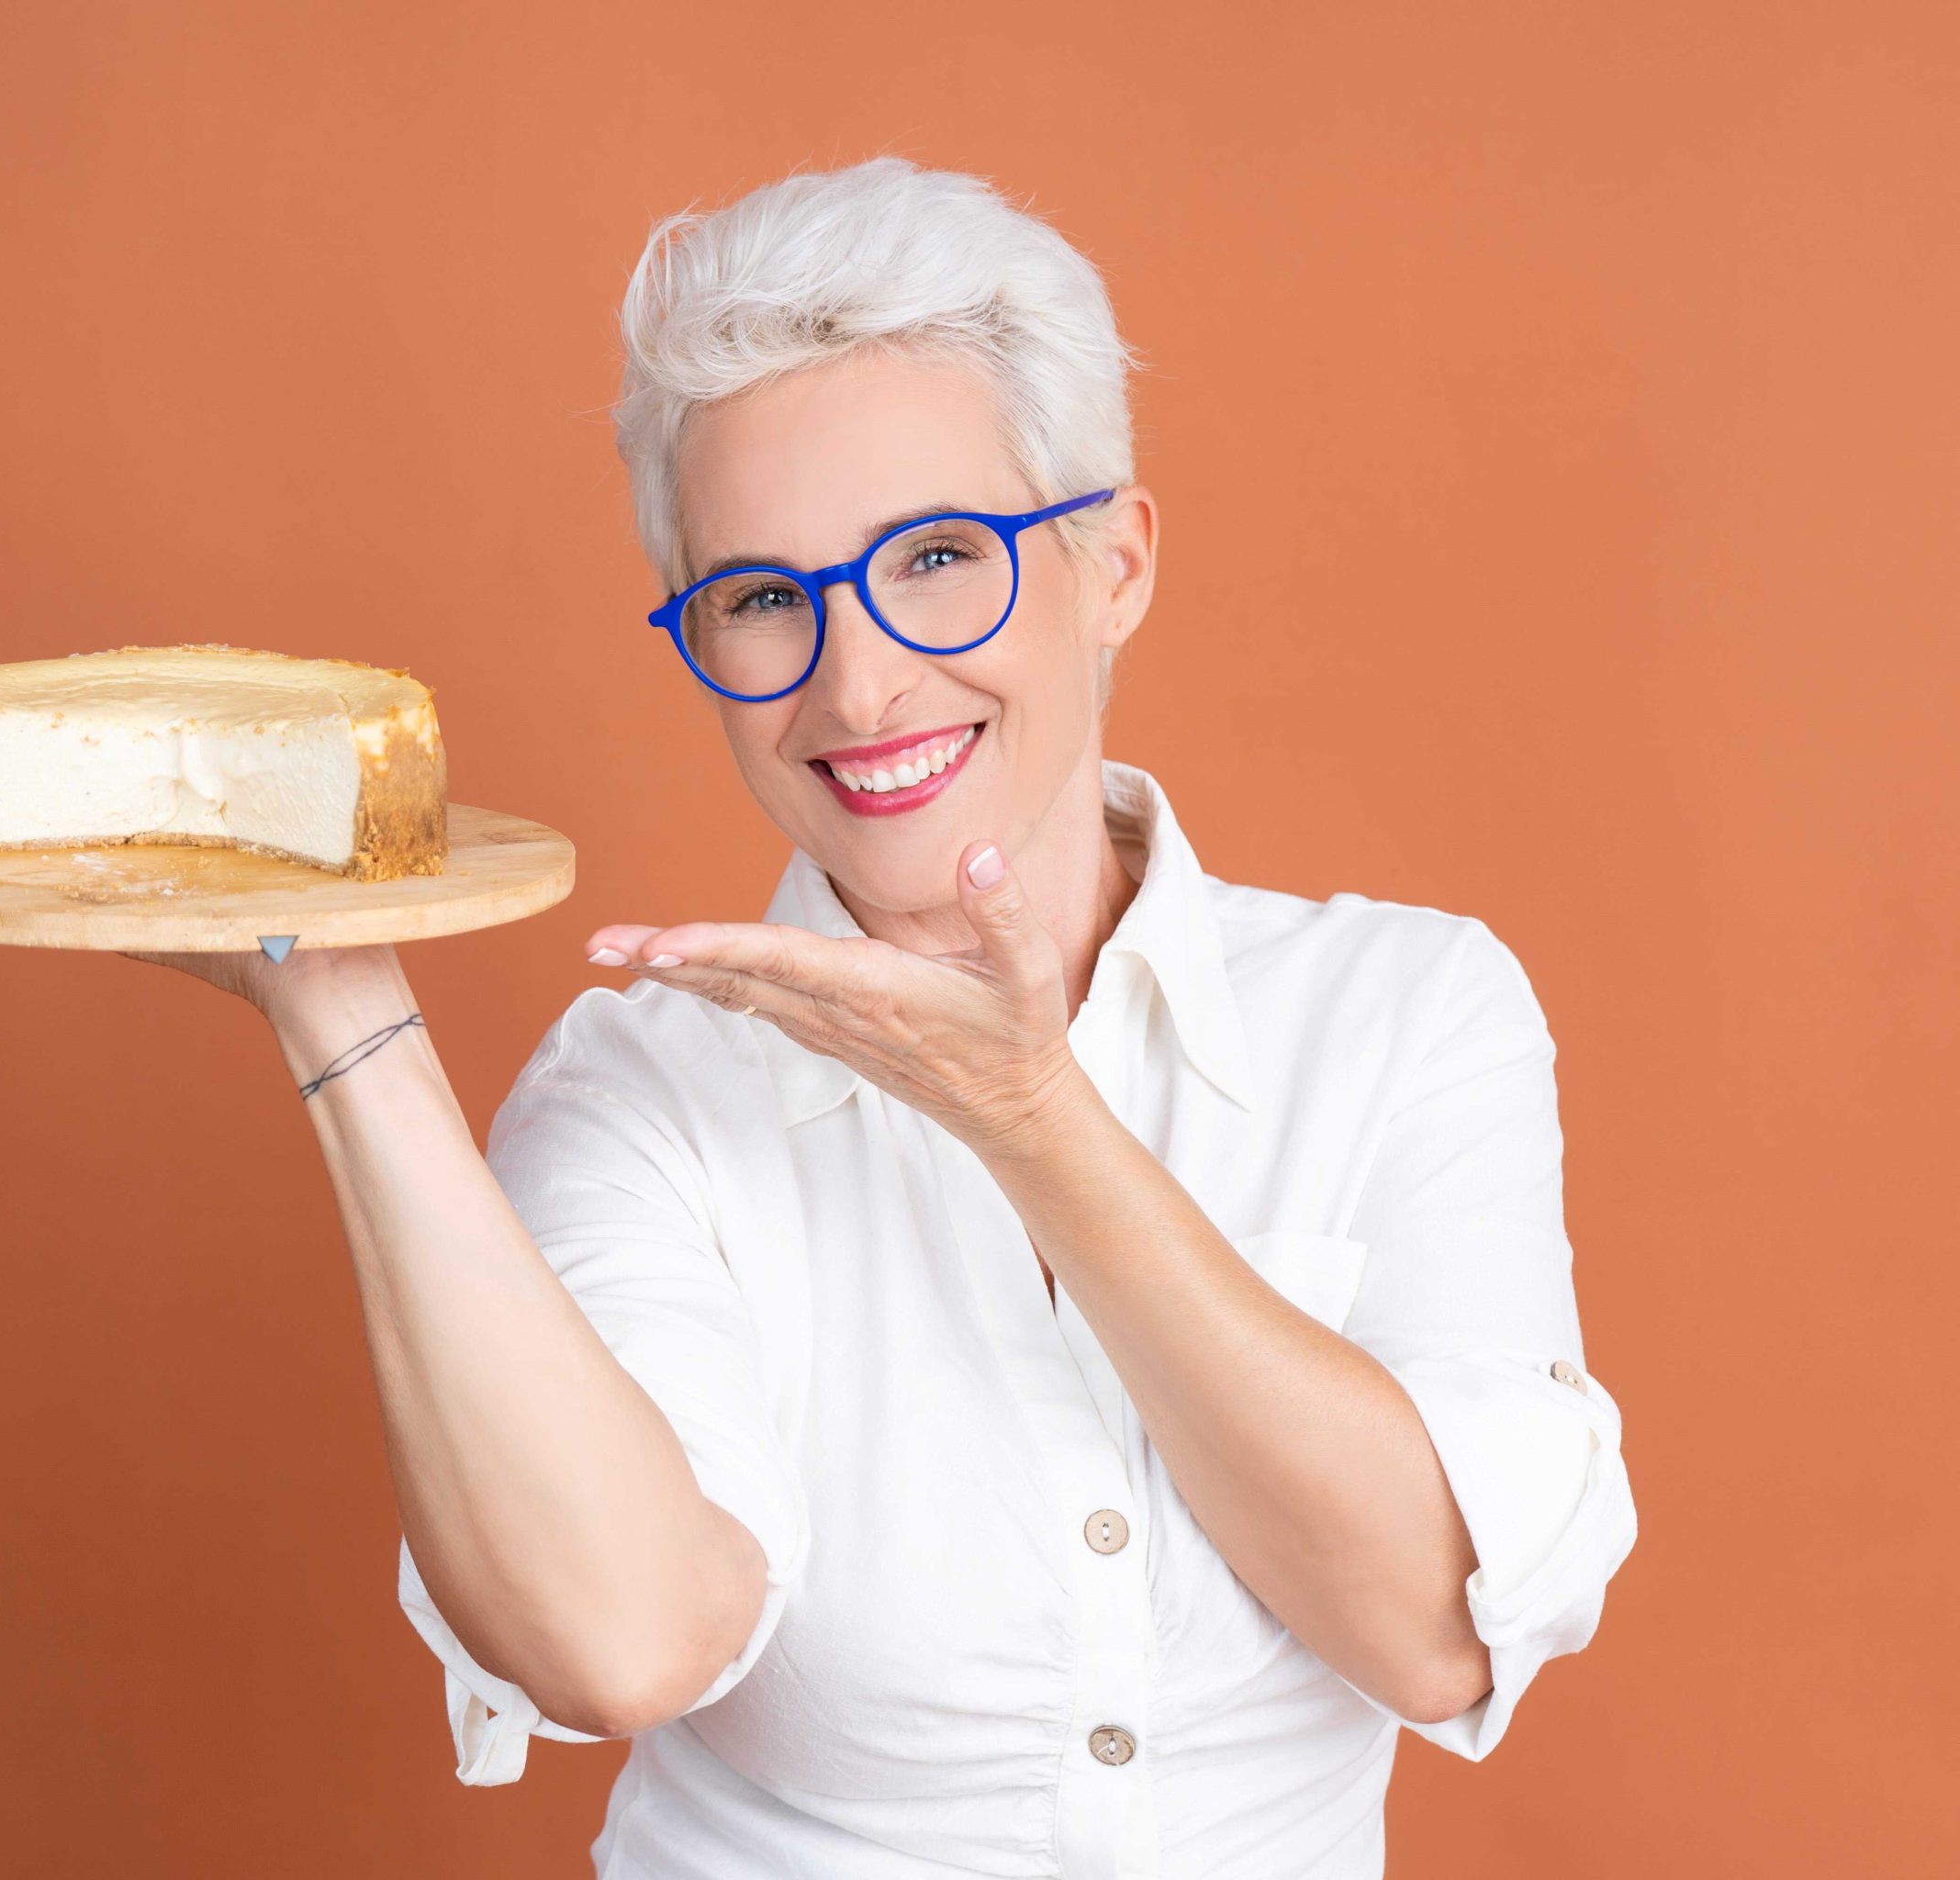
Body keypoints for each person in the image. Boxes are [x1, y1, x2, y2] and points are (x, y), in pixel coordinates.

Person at [125, 154, 1637, 1880]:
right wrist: (343, 1018)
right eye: (763, 597)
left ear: (1115, 563)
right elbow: (626, 1640)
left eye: (936, 558)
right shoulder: (641, 1086)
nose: (856, 685)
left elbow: (1430, 1628)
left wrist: (1033, 1122)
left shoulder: (1406, 1013)